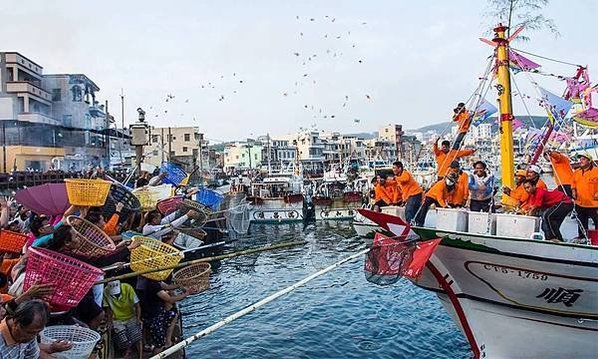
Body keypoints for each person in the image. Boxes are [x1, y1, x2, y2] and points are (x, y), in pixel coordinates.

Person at [0, 300, 71, 358]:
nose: (33, 337)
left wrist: (52, 348)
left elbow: (33, 355)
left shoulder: (30, 332)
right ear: (16, 323)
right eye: (30, 332)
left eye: (37, 332)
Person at [136, 277, 189, 355]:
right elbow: (170, 299)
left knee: (173, 314)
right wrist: (186, 294)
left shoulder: (152, 281)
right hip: (153, 317)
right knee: (160, 345)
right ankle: (156, 354)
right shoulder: (153, 285)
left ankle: (168, 342)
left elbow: (167, 287)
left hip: (157, 313)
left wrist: (180, 284)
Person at [104, 280, 142, 358]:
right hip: (117, 319)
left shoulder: (128, 288)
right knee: (123, 339)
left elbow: (137, 305)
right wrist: (110, 321)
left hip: (131, 316)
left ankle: (140, 356)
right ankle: (128, 350)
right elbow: (108, 309)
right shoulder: (106, 291)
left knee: (137, 337)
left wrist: (138, 319)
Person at [571, 153, 598, 238]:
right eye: (580, 159)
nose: (581, 161)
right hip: (580, 202)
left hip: (594, 204)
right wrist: (573, 190)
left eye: (583, 159)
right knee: (581, 222)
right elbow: (573, 183)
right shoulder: (577, 172)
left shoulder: (596, 171)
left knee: (597, 222)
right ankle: (582, 237)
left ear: (589, 161)